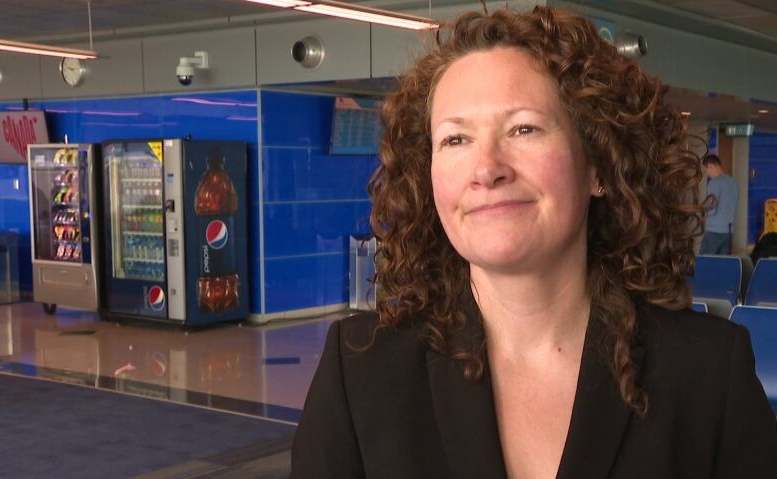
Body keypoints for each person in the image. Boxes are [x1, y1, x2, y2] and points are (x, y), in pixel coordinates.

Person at [292, 6, 777, 479]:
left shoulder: (708, 373)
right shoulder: (358, 370)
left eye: (524, 128)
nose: (487, 169)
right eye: (456, 140)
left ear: (599, 166)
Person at [699, 154, 739, 255]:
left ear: (711, 166)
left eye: (705, 170)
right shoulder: (733, 182)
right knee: (722, 265)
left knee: (704, 263)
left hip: (714, 230)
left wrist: (701, 211)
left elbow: (711, 208)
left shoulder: (714, 183)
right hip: (728, 231)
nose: (707, 174)